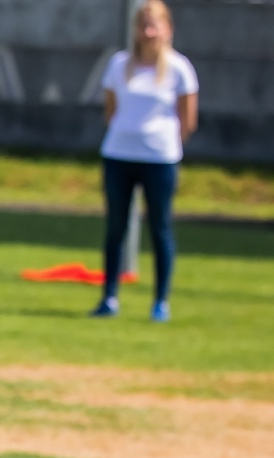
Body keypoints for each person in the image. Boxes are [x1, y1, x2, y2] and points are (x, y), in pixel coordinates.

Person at [91, 0, 198, 323]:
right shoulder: (119, 64)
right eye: (144, 25)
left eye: (155, 25)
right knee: (116, 228)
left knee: (160, 228)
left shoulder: (179, 68)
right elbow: (110, 110)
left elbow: (187, 119)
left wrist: (163, 144)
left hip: (159, 160)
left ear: (168, 28)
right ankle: (109, 296)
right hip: (119, 156)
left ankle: (160, 301)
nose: (149, 32)